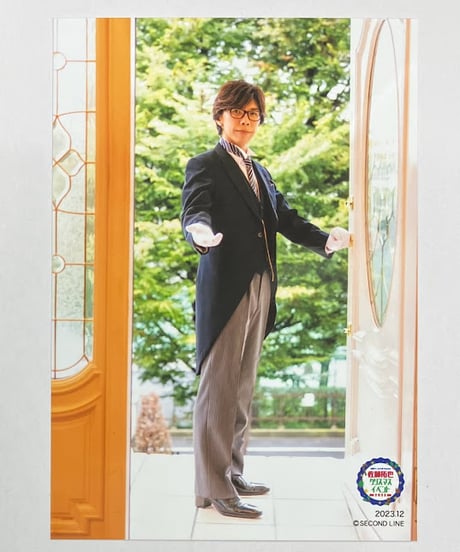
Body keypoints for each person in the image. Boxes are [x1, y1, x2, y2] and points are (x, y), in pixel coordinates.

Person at [181, 80, 350, 519]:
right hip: (226, 290)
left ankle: (232, 472)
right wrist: (198, 232)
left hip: (261, 286)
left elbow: (285, 220)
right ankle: (213, 487)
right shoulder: (205, 164)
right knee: (218, 389)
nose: (246, 120)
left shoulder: (260, 171)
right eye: (238, 112)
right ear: (220, 116)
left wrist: (325, 241)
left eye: (253, 114)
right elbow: (195, 209)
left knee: (241, 387)